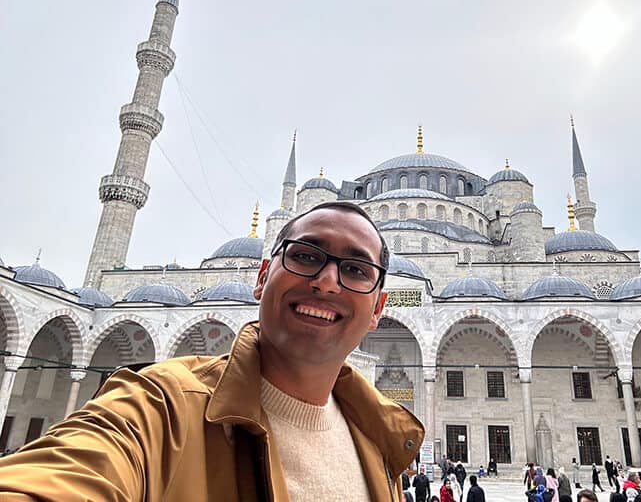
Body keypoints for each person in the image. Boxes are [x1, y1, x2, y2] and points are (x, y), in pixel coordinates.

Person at [0, 201, 425, 499]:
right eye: (306, 256)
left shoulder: (380, 442)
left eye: (355, 269)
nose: (327, 282)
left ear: (378, 310)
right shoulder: (158, 409)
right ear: (261, 277)